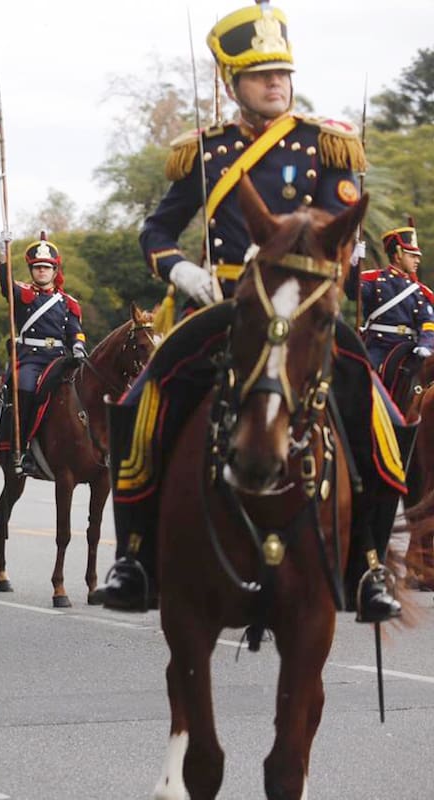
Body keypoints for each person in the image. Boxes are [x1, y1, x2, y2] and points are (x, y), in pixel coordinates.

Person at [90, 1, 406, 622]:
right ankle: (134, 555)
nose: (275, 83)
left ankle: (368, 560)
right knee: (143, 399)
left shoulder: (326, 144)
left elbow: (336, 228)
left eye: (282, 73)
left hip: (302, 300)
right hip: (226, 301)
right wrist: (180, 268)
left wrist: (341, 252)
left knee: (376, 405)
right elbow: (157, 230)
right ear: (234, 83)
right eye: (261, 75)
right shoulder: (206, 152)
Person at [0, 231, 87, 477]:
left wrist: (78, 346)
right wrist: (4, 254)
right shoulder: (22, 294)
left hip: (59, 358)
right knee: (25, 388)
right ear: (31, 270)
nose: (42, 272)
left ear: (55, 271)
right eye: (37, 268)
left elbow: (75, 331)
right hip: (31, 358)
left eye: (47, 267)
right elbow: (6, 284)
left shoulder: (67, 302)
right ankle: (23, 448)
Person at [359, 222, 434, 369]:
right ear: (398, 254)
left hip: (409, 349)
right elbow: (352, 291)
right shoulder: (374, 281)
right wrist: (353, 264)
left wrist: (426, 345)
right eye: (412, 256)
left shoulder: (420, 292)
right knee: (363, 376)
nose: (417, 261)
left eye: (417, 256)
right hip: (378, 348)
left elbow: (428, 323)